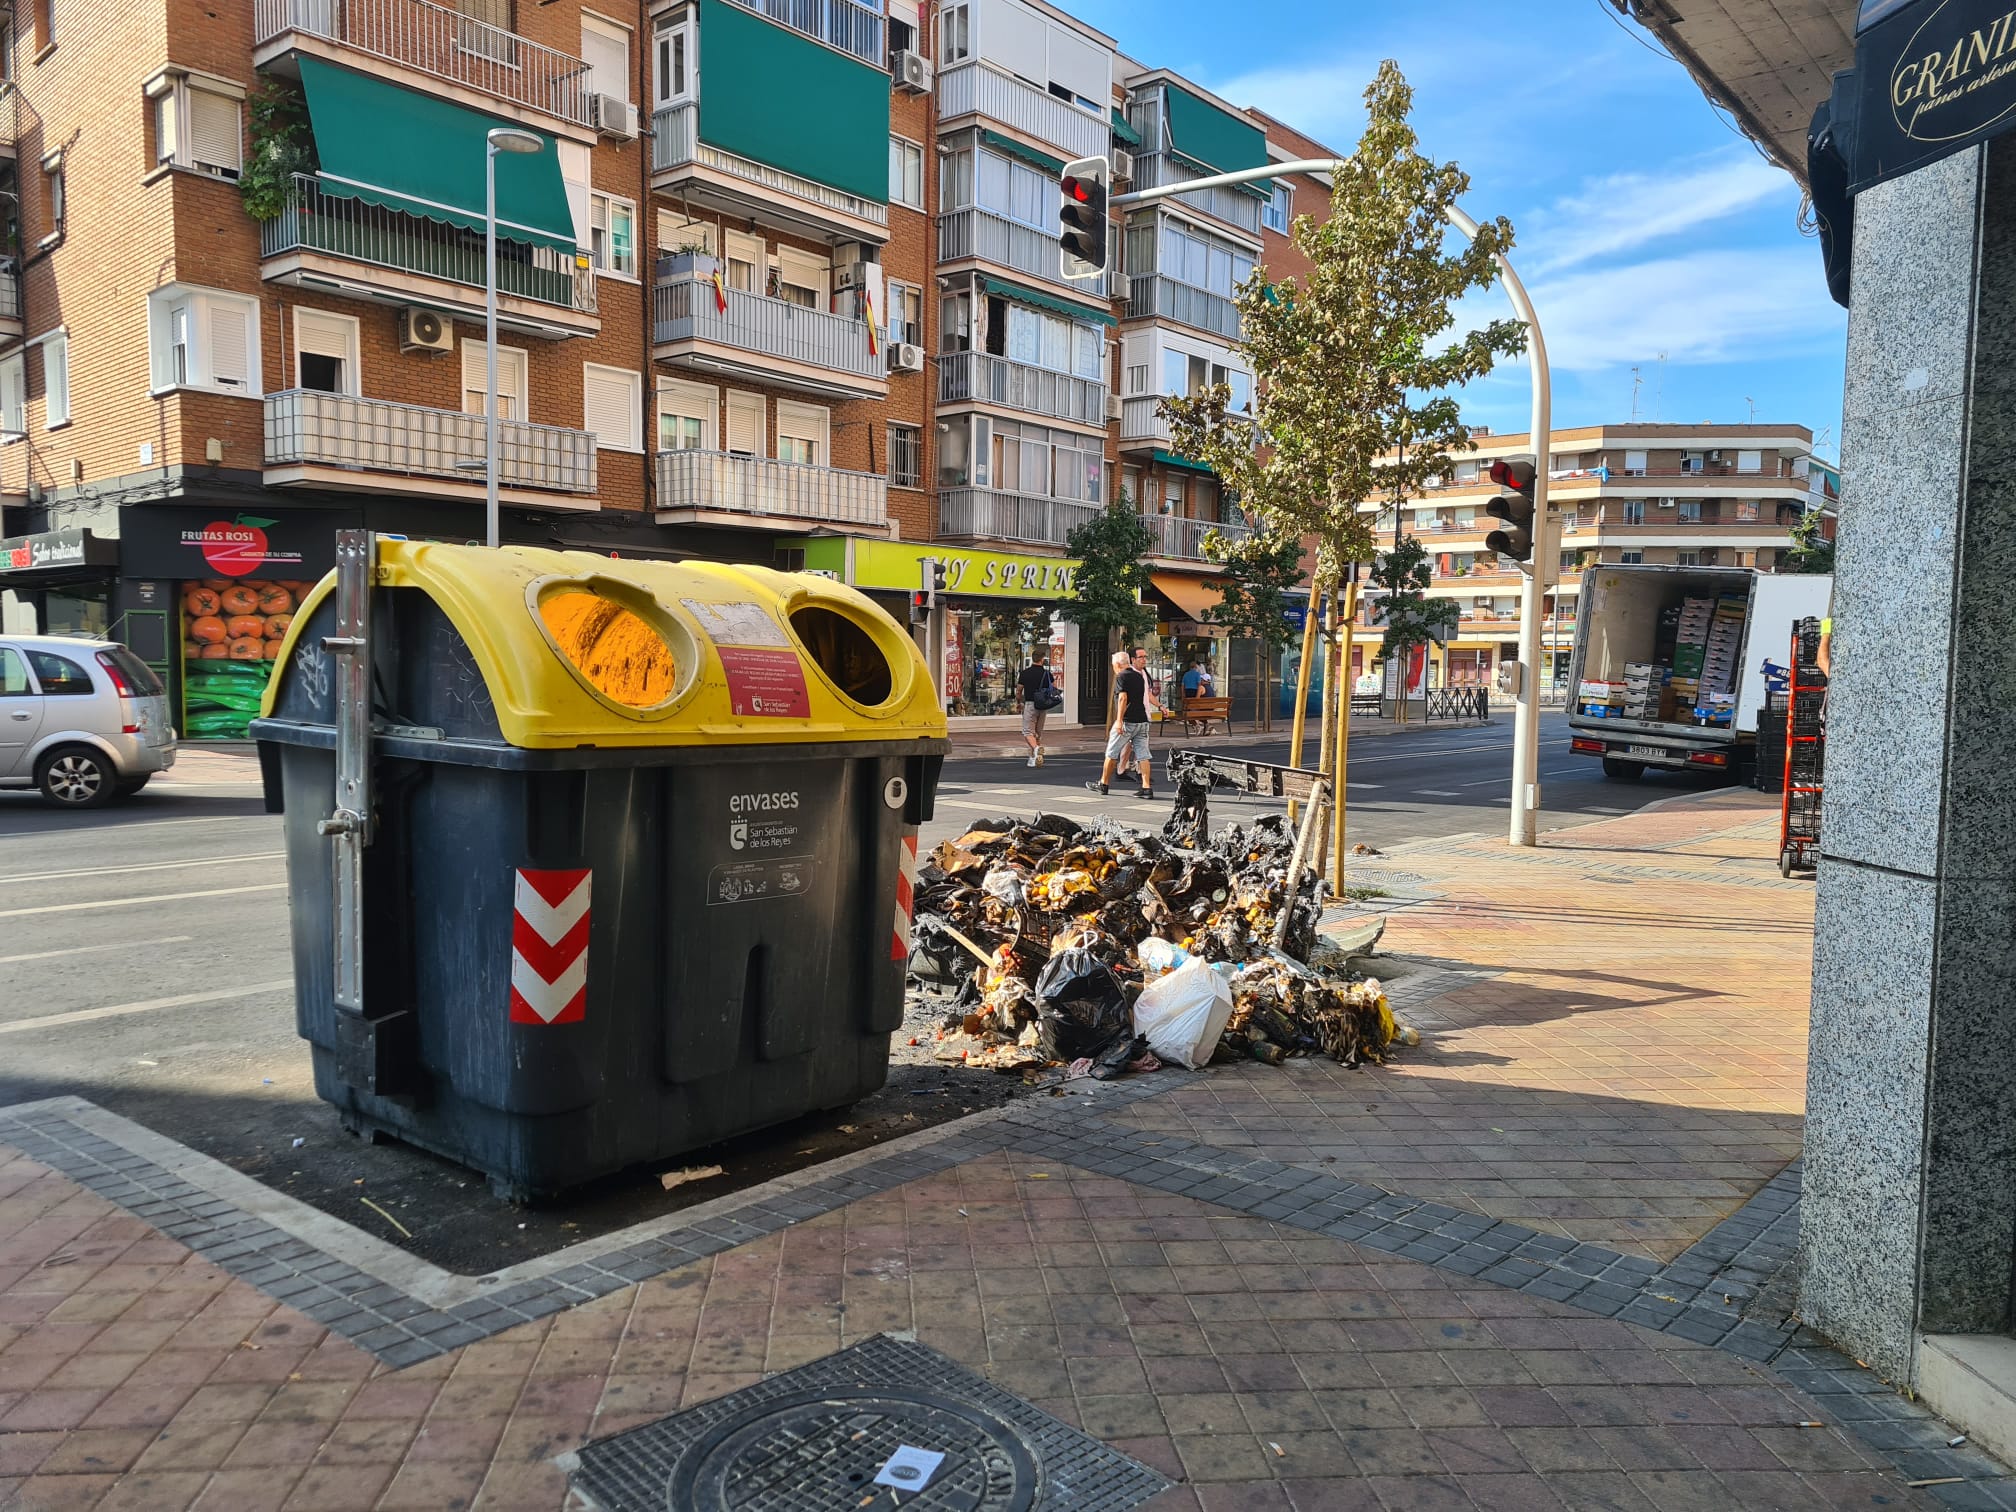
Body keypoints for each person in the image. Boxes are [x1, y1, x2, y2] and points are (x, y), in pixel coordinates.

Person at [1089, 649, 1153, 800]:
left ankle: (1103, 783)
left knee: (1111, 753)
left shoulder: (1121, 677)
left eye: (1113, 665)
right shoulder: (1139, 676)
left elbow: (1123, 698)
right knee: (1143, 755)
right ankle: (1146, 787)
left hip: (1127, 721)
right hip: (1142, 720)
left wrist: (1119, 720)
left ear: (1117, 664)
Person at [1115, 645, 1161, 779]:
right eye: (1141, 657)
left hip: (1143, 715)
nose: (1144, 659)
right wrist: (1119, 719)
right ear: (1133, 659)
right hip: (1131, 716)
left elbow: (1148, 694)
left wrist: (1160, 705)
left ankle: (1127, 770)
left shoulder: (1144, 674)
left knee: (1136, 745)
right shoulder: (1127, 675)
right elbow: (1122, 698)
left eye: (1145, 657)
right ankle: (1126, 770)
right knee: (1132, 746)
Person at [1015, 652, 1053, 767]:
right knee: (1037, 733)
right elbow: (1052, 688)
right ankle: (1033, 758)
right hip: (1043, 705)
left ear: (1032, 659)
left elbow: (1019, 690)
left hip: (1031, 704)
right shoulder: (1047, 674)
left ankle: (1036, 749)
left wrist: (1018, 702)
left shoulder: (1025, 673)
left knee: (1027, 731)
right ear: (1042, 660)